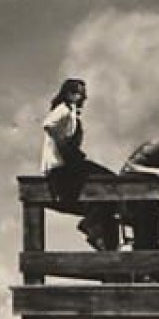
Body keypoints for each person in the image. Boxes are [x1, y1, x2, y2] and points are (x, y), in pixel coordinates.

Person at [41, 78, 119, 249]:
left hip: (68, 165)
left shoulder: (72, 113)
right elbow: (48, 124)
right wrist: (65, 148)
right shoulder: (63, 109)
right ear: (69, 95)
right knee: (109, 181)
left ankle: (95, 225)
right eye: (80, 94)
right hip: (61, 167)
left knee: (106, 184)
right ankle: (91, 224)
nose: (84, 98)